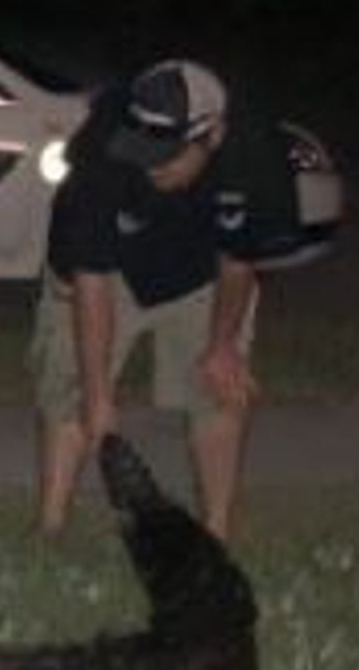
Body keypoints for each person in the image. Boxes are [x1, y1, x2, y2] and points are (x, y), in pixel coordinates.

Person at [33, 58, 295, 541]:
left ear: (212, 135)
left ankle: (216, 532)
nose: (153, 164)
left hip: (200, 274)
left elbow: (239, 261)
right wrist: (99, 398)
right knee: (70, 393)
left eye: (170, 153)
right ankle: (50, 528)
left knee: (219, 388)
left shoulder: (254, 154)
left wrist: (222, 345)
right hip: (105, 265)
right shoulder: (105, 147)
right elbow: (90, 276)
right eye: (146, 149)